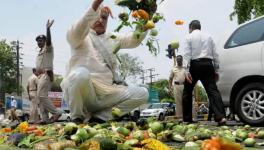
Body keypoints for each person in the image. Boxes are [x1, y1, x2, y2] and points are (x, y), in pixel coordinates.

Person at [61, 0, 149, 124]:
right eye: (96, 16)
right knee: (80, 74)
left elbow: (134, 40)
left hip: (108, 94)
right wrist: (95, 5)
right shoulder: (80, 36)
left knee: (142, 93)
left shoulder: (112, 37)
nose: (100, 20)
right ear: (89, 15)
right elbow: (75, 32)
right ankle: (77, 118)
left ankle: (100, 117)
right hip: (86, 94)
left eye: (103, 17)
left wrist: (145, 17)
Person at [181, 20, 227, 125]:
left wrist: (186, 71)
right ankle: (221, 117)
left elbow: (187, 54)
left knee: (187, 91)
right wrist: (216, 70)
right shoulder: (209, 36)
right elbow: (215, 54)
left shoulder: (189, 37)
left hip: (194, 65)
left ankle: (187, 119)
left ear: (190, 28)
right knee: (213, 91)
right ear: (199, 27)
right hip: (208, 64)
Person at [35, 20, 62, 124]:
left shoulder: (48, 48)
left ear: (45, 41)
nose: (39, 42)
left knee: (42, 95)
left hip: (46, 75)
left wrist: (48, 29)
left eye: (41, 40)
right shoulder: (40, 51)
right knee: (40, 97)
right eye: (38, 41)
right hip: (40, 76)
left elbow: (49, 41)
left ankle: (56, 112)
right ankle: (45, 118)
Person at [169, 55, 185, 120]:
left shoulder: (185, 68)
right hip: (176, 86)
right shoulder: (173, 69)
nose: (179, 61)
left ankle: (188, 117)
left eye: (180, 59)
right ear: (176, 61)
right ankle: (180, 117)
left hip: (185, 86)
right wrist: (170, 88)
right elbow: (170, 79)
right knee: (178, 102)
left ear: (182, 60)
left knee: (187, 101)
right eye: (177, 60)